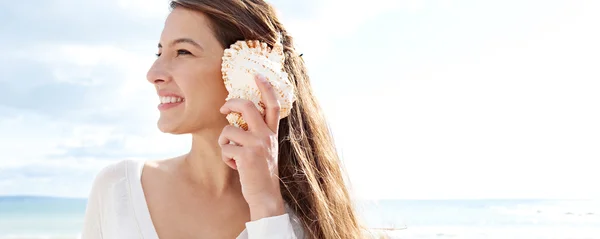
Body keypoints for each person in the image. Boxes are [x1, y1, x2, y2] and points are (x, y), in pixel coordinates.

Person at [81, 0, 371, 238]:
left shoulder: (303, 223)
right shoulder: (119, 189)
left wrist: (266, 208)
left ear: (250, 68)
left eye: (183, 52)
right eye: (159, 51)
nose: (153, 73)